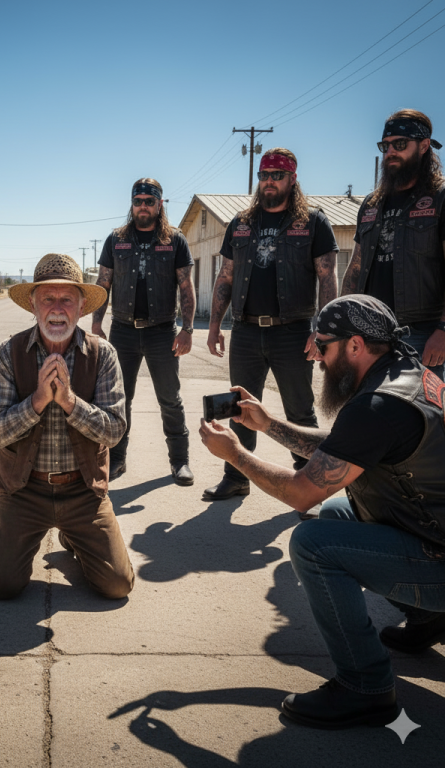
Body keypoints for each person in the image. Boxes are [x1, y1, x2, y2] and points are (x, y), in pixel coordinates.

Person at [199, 294, 445, 730]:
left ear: (355, 345)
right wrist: (269, 424)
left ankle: (365, 688)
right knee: (336, 511)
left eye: (323, 345)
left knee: (313, 543)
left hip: (437, 555)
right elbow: (343, 448)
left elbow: (299, 493)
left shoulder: (378, 406)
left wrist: (235, 454)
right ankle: (428, 616)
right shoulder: (403, 375)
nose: (313, 354)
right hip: (430, 530)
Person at [0, 253, 134, 599]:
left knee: (117, 585)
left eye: (67, 299)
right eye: (47, 298)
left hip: (83, 491)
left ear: (81, 307)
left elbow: (114, 430)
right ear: (33, 305)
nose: (57, 308)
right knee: (2, 587)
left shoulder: (103, 354)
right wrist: (37, 400)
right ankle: (8, 548)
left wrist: (69, 402)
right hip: (24, 491)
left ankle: (72, 535)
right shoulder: (9, 353)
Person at [205, 148, 338, 511]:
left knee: (299, 410)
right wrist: (215, 325)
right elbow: (226, 276)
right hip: (246, 331)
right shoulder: (241, 222)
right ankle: (236, 479)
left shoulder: (313, 222)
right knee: (240, 407)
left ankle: (312, 484)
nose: (269, 182)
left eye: (277, 176)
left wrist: (323, 330)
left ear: (292, 180)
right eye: (264, 175)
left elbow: (328, 278)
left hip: (292, 332)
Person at [92, 178, 196, 486]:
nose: (143, 207)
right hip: (122, 330)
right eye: (138, 201)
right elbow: (103, 283)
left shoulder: (174, 240)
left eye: (149, 202)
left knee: (170, 398)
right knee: (120, 400)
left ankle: (180, 461)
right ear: (132, 204)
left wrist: (188, 329)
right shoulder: (117, 240)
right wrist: (96, 324)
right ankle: (117, 459)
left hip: (162, 332)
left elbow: (186, 286)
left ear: (160, 204)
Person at [342, 108, 445, 378]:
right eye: (385, 146)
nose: (390, 152)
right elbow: (355, 267)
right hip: (369, 334)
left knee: (428, 416)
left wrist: (443, 331)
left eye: (400, 144)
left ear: (424, 146)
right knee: (371, 413)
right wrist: (338, 324)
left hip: (423, 335)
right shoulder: (371, 203)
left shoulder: (440, 198)